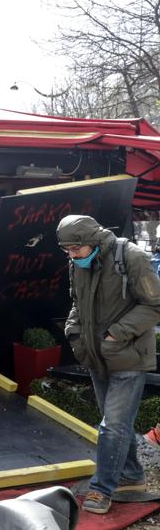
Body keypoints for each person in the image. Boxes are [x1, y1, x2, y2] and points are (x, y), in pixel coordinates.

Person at [58, 214, 160, 514]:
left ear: (91, 241)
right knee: (117, 424)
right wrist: (73, 332)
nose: (71, 256)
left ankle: (102, 489)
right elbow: (77, 302)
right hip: (95, 355)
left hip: (128, 356)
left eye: (75, 249)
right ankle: (131, 477)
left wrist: (117, 334)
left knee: (112, 426)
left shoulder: (132, 256)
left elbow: (155, 304)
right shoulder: (77, 261)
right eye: (67, 251)